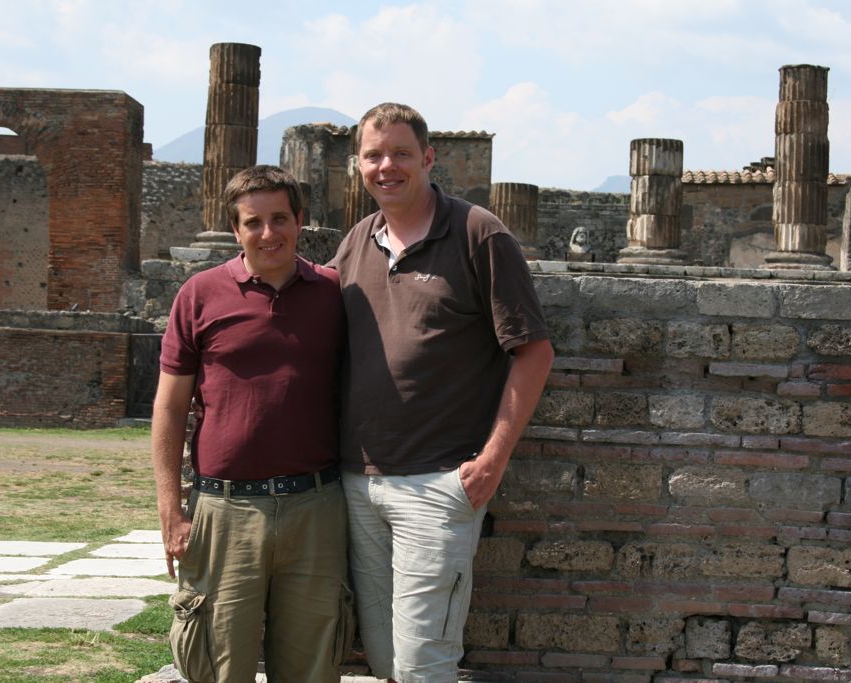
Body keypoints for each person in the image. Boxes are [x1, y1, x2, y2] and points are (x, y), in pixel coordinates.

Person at [331, 103, 554, 683]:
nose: (387, 167)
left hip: (438, 483)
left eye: (401, 154)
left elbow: (534, 351)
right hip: (360, 483)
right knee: (383, 656)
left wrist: (491, 461)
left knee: (424, 665)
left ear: (428, 159)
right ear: (358, 165)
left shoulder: (479, 233)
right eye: (374, 155)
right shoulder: (357, 241)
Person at [152, 165, 350, 683]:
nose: (268, 233)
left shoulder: (335, 294)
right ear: (235, 230)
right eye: (253, 222)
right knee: (219, 669)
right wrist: (172, 511)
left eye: (279, 218)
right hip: (225, 510)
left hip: (316, 508)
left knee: (314, 669)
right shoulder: (199, 295)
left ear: (300, 221)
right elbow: (169, 408)